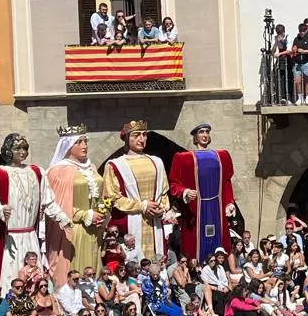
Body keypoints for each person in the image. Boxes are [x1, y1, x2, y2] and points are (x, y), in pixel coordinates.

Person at [0, 134, 44, 292]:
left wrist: (61, 217)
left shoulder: (37, 172)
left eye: (24, 148)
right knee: (11, 274)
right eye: (17, 148)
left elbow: (48, 199)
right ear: (7, 150)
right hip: (9, 237)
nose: (22, 152)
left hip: (29, 235)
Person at [42, 126, 107, 286]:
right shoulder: (58, 171)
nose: (84, 145)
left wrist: (102, 213)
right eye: (79, 142)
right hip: (73, 229)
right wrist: (84, 215)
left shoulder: (91, 167)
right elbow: (56, 206)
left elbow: (101, 196)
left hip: (94, 229)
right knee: (76, 266)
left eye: (85, 141)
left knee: (94, 267)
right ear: (68, 145)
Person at [103, 120, 175, 264]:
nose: (141, 139)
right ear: (127, 138)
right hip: (130, 220)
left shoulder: (157, 162)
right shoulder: (115, 165)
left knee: (158, 259)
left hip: (155, 221)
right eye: (136, 135)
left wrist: (161, 208)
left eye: (144, 135)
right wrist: (142, 205)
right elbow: (112, 196)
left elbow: (164, 192)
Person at [170, 122, 237, 263]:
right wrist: (185, 191)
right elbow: (174, 184)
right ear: (195, 136)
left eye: (207, 132)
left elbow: (226, 182)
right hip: (197, 209)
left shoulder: (221, 156)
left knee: (218, 240)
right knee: (195, 243)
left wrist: (229, 202)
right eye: (201, 132)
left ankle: (220, 268)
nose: (205, 135)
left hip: (216, 207)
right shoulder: (184, 158)